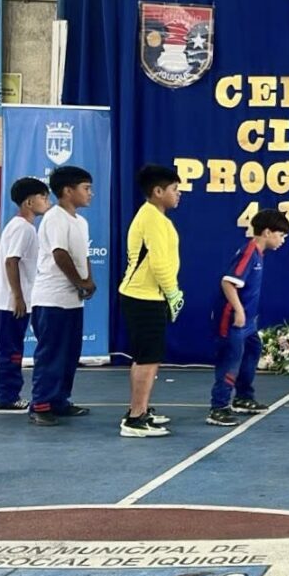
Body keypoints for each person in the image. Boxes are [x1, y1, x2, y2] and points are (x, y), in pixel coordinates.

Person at [117, 165, 185, 438]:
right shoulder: (152, 218)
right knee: (147, 358)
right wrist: (173, 293)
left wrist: (169, 293)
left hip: (147, 296)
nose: (178, 194)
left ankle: (140, 409)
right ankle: (135, 419)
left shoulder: (155, 217)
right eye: (174, 189)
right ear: (158, 191)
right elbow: (158, 263)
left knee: (147, 357)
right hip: (144, 297)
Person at [207, 208, 289, 427]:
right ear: (267, 232)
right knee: (231, 360)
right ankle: (219, 407)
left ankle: (243, 397)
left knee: (252, 351)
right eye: (281, 235)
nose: (282, 240)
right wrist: (239, 311)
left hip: (248, 323)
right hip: (232, 320)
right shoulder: (249, 253)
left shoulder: (258, 254)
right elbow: (227, 282)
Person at [28, 166, 96, 426]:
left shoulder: (81, 222)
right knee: (51, 353)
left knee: (69, 354)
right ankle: (40, 404)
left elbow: (83, 255)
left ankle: (59, 400)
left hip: (72, 301)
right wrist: (79, 282)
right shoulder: (55, 217)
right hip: (51, 299)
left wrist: (89, 281)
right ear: (68, 191)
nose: (90, 193)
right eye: (86, 188)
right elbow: (60, 254)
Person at [0, 178, 51, 413]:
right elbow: (11, 261)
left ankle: (8, 395)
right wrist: (18, 297)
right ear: (28, 202)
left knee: (11, 349)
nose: (47, 202)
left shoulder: (23, 227)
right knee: (10, 351)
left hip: (11, 300)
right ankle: (6, 398)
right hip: (9, 302)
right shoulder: (22, 228)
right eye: (43, 197)